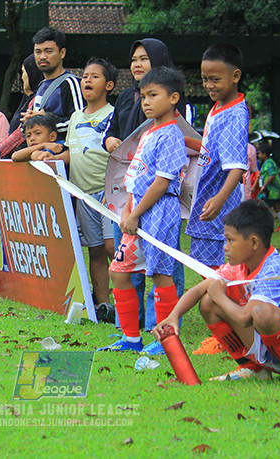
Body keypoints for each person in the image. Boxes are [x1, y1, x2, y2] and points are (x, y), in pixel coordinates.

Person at [156, 200, 280, 388]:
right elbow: (198, 290)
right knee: (207, 303)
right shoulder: (239, 266)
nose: (225, 247)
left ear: (254, 242)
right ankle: (252, 367)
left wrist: (220, 295)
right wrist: (173, 316)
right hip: (270, 341)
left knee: (260, 311)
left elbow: (246, 318)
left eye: (230, 240)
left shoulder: (276, 269)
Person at [101, 37, 187, 338]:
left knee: (161, 275)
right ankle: (129, 337)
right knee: (119, 271)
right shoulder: (148, 133)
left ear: (173, 98)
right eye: (143, 96)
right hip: (134, 209)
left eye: (153, 95)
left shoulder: (172, 134)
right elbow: (135, 177)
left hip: (158, 213)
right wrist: (127, 211)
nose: (146, 101)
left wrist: (135, 213)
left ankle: (162, 334)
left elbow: (163, 182)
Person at [41, 58, 117, 322]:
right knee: (95, 250)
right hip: (83, 194)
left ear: (109, 85)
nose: (87, 80)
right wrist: (48, 161)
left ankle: (126, 302)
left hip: (109, 194)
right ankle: (105, 305)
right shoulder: (75, 117)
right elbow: (72, 153)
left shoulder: (113, 114)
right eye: (85, 76)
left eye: (95, 76)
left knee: (112, 247)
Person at [186, 42, 248, 268]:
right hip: (205, 206)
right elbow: (212, 149)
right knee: (207, 274)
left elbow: (237, 167)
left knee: (218, 278)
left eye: (215, 79)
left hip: (218, 214)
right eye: (204, 79)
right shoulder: (218, 107)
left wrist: (220, 199)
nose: (208, 85)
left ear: (235, 76)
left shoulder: (235, 115)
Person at [23, 26, 84, 137]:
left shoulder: (71, 83)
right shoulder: (41, 86)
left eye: (48, 51)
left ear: (62, 53)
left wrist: (46, 121)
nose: (42, 56)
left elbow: (80, 123)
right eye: (38, 52)